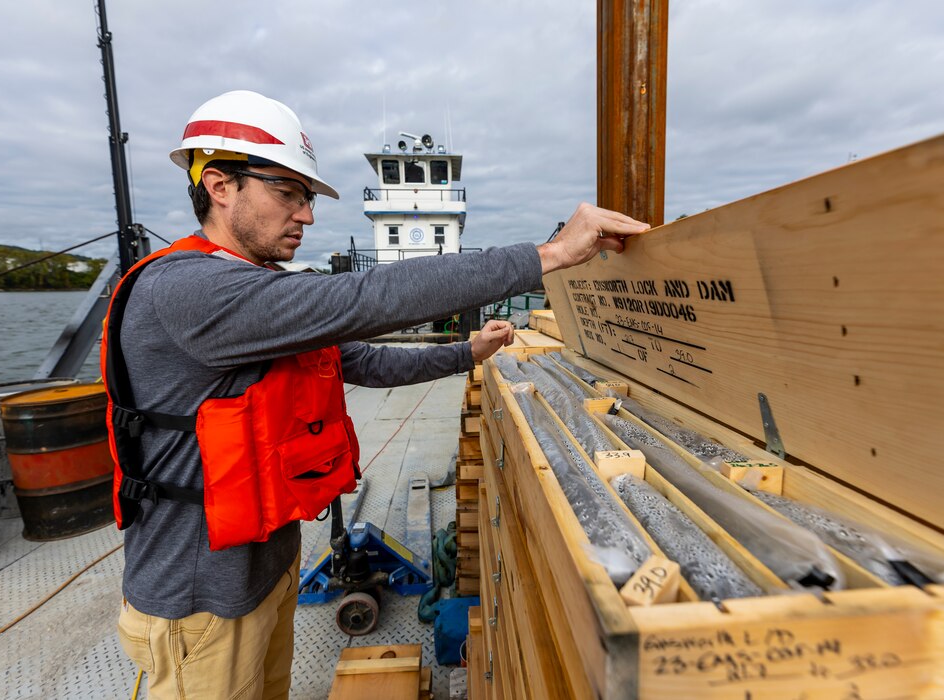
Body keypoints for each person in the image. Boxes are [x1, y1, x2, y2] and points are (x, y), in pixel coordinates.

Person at [103, 89, 648, 699]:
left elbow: (360, 360)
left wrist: (466, 352)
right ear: (221, 185)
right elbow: (364, 300)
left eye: (307, 198)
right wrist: (546, 255)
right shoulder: (189, 290)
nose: (306, 215)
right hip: (200, 598)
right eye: (288, 193)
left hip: (267, 566)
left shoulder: (257, 292)